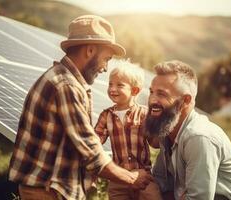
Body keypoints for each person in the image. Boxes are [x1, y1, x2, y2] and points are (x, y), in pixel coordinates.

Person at [8, 15, 152, 200]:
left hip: (50, 188)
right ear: (90, 50)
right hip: (46, 191)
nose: (105, 68)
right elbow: (89, 148)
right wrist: (130, 178)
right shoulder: (66, 86)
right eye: (106, 59)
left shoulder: (65, 80)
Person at [145, 60, 231, 200]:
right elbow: (161, 185)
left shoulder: (198, 137)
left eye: (161, 94)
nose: (152, 100)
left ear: (186, 100)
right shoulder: (167, 130)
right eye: (151, 92)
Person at [94, 60, 162, 200]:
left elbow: (155, 142)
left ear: (135, 90)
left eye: (119, 85)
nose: (112, 89)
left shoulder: (144, 114)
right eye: (110, 84)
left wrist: (158, 126)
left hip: (143, 176)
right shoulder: (105, 116)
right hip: (118, 178)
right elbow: (95, 142)